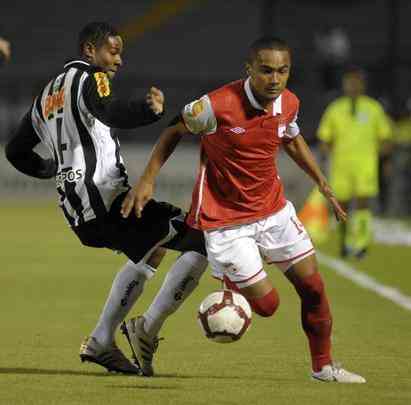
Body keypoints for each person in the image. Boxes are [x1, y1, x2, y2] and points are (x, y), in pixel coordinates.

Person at [121, 37, 366, 383]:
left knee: (314, 287)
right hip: (226, 222)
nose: (275, 79)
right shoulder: (217, 105)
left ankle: (323, 367)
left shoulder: (288, 103)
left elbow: (291, 137)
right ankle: (214, 291)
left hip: (274, 211)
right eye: (266, 70)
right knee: (268, 306)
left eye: (282, 71)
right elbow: (174, 130)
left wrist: (322, 182)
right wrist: (147, 179)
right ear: (249, 70)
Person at [5, 21, 208, 376]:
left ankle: (102, 340)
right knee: (200, 237)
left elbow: (16, 151)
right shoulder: (90, 78)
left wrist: (53, 170)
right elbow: (108, 110)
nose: (118, 60)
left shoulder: (45, 96)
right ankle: (144, 329)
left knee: (153, 246)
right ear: (89, 51)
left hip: (79, 208)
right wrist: (148, 111)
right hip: (105, 199)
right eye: (113, 51)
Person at [317, 67, 392, 258]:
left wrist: (385, 155)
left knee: (362, 204)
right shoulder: (335, 108)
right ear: (344, 85)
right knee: (341, 206)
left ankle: (361, 243)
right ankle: (344, 242)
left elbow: (384, 135)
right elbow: (325, 135)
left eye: (356, 82)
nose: (352, 86)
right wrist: (325, 149)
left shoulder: (373, 108)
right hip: (341, 164)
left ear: (362, 85)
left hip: (365, 164)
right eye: (349, 82)